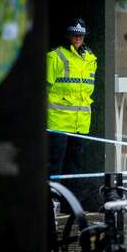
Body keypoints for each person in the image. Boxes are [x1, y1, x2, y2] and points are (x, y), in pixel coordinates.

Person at [46, 18, 97, 177]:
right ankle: (52, 200)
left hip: (80, 124)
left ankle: (71, 200)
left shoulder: (91, 60)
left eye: (80, 36)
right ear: (67, 36)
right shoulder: (55, 57)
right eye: (74, 35)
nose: (77, 38)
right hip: (58, 123)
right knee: (55, 166)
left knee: (75, 167)